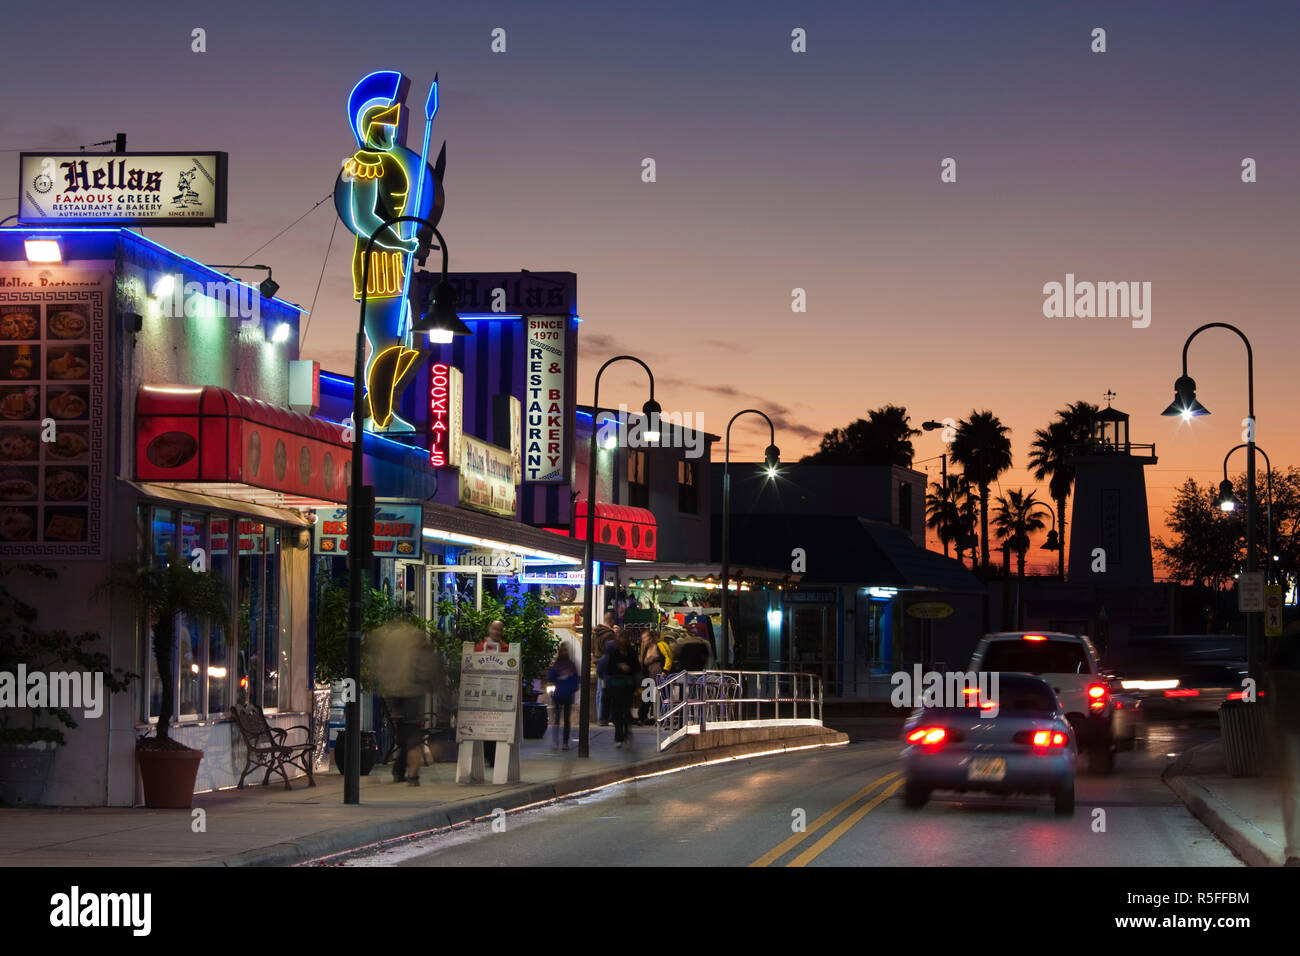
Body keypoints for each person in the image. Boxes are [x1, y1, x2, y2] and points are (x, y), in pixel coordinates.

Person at [1268, 633, 1300, 865]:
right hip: (1290, 724)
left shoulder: (1287, 645)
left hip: (1288, 724)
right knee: (1292, 789)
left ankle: (1295, 852)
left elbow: (1273, 687)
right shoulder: (1290, 645)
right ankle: (1295, 851)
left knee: (1292, 789)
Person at [605, 629, 641, 747]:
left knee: (625, 710)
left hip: (627, 686)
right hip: (616, 686)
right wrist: (620, 667)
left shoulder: (632, 653)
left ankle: (625, 732)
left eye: (625, 638)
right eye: (621, 638)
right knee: (617, 712)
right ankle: (619, 736)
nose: (623, 641)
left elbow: (636, 668)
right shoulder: (614, 653)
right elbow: (609, 669)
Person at [547, 645, 579, 751]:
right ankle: (558, 742)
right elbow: (551, 677)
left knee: (563, 720)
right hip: (561, 694)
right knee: (559, 720)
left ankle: (562, 743)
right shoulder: (568, 665)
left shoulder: (564, 665)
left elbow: (575, 680)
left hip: (564, 694)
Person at [638, 630, 663, 724]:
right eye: (643, 639)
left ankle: (658, 717)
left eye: (645, 638)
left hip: (659, 677)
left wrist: (665, 671)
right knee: (646, 697)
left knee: (657, 698)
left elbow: (665, 658)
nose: (644, 640)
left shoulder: (658, 647)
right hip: (648, 677)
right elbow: (644, 665)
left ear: (651, 638)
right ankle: (643, 717)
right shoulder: (645, 650)